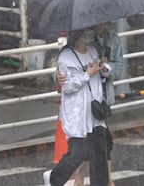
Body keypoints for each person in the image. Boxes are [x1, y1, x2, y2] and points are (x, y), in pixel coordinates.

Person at [57, 22, 122, 186]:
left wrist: (105, 66)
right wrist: (58, 77)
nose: (101, 24)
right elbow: (64, 74)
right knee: (88, 148)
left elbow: (117, 69)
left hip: (100, 102)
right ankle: (95, 180)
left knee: (99, 145)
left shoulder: (113, 40)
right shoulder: (79, 43)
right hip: (80, 106)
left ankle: (99, 180)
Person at [44, 29, 109, 186]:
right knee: (77, 154)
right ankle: (53, 179)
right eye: (84, 34)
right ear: (77, 37)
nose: (88, 36)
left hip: (95, 110)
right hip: (77, 114)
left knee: (100, 153)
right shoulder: (65, 57)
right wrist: (87, 75)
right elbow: (66, 87)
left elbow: (102, 76)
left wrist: (105, 69)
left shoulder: (93, 51)